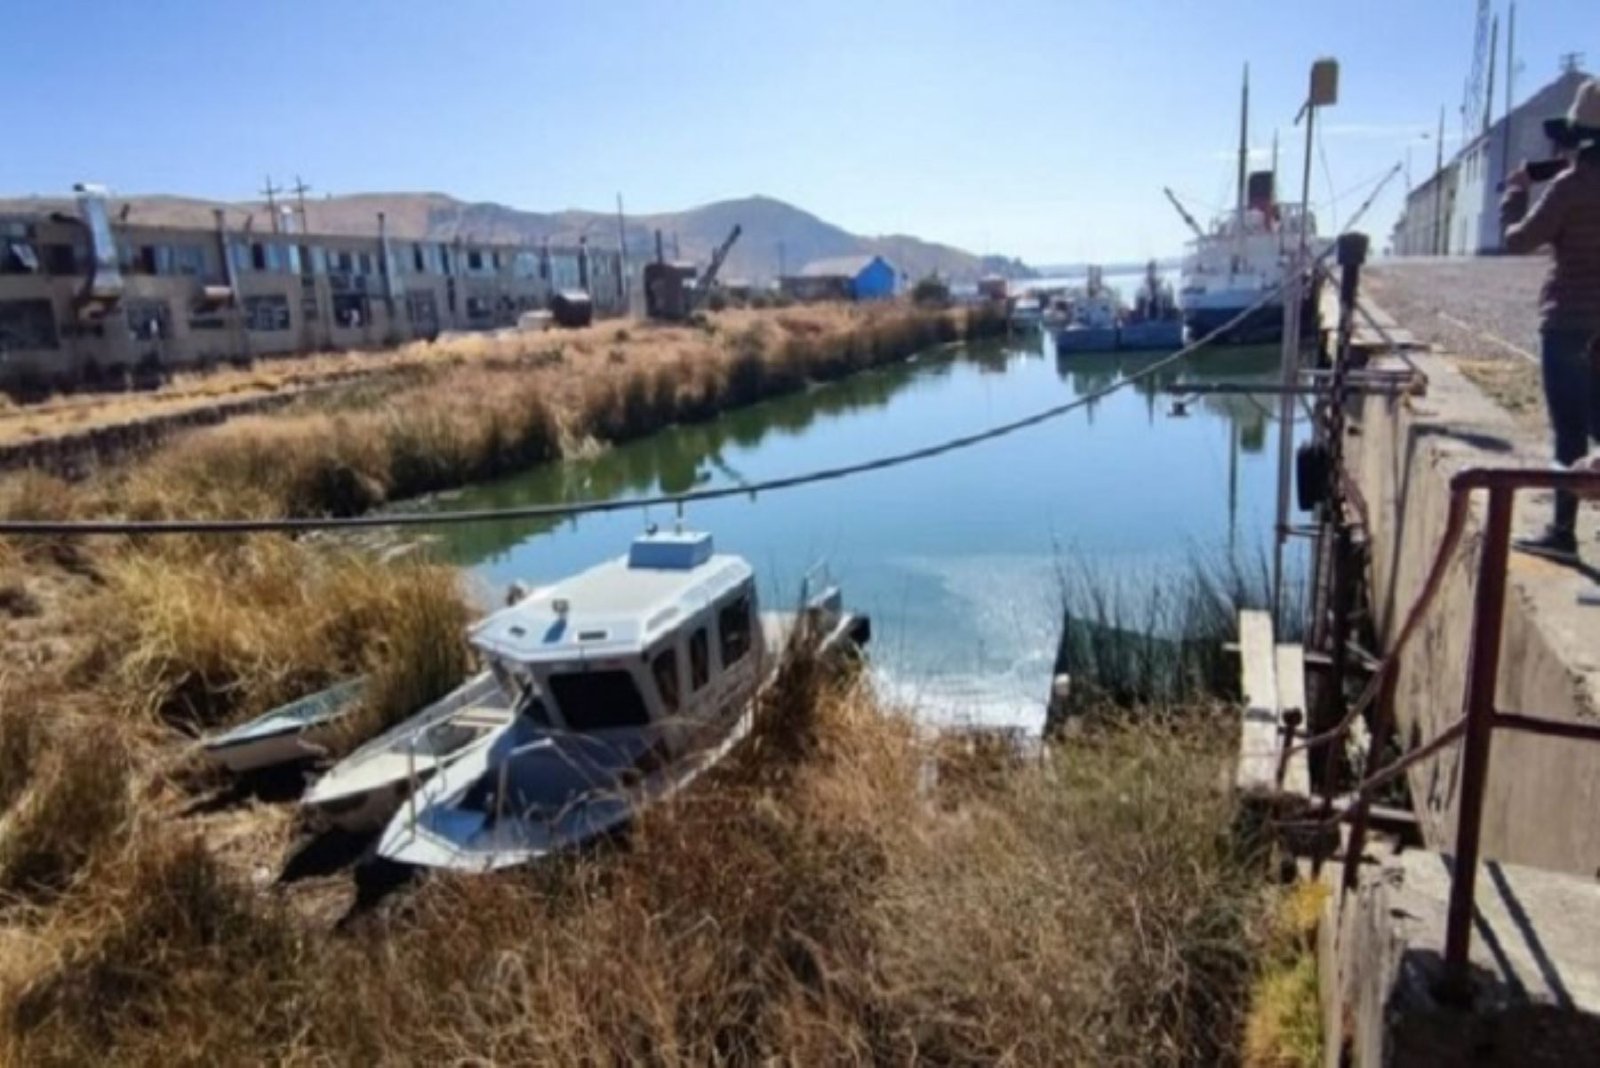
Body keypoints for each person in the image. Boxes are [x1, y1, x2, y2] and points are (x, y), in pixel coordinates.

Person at [1502, 77, 1600, 563]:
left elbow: (1518, 240)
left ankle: (1562, 533)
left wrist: (1516, 195)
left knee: (1569, 432)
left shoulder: (1570, 187)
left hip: (1567, 325)